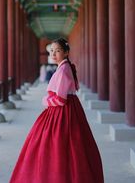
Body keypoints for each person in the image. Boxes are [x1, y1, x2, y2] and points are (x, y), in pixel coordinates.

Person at [10, 38, 104, 183]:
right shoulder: (64, 67)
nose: (54, 54)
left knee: (56, 145)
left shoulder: (63, 70)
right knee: (72, 145)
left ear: (66, 52)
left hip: (62, 111)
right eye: (52, 50)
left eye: (58, 51)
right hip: (70, 109)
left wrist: (45, 100)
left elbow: (60, 100)